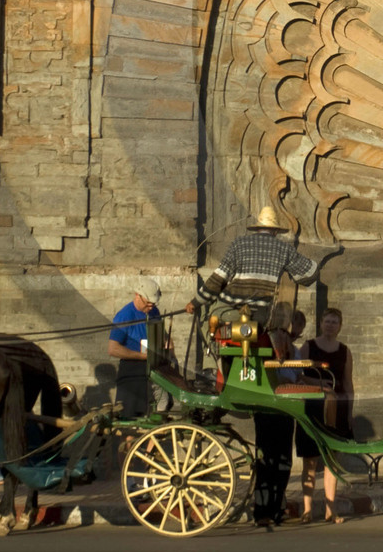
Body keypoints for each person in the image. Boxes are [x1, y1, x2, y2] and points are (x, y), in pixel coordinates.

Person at [194, 206, 321, 527]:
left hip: (233, 321)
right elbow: (309, 275)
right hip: (259, 325)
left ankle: (224, 378)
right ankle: (268, 510)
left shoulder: (238, 245)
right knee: (277, 451)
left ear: (255, 229)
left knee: (214, 332)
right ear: (275, 232)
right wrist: (315, 263)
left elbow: (217, 280)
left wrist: (195, 302)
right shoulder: (283, 248)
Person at [296, 308, 353, 524]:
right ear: (321, 323)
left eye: (334, 322)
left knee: (332, 462)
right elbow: (297, 374)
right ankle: (307, 510)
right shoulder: (308, 346)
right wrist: (318, 384)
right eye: (327, 321)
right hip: (311, 407)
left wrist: (349, 410)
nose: (330, 325)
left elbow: (348, 383)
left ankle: (331, 510)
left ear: (340, 326)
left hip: (335, 408)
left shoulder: (345, 351)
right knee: (310, 461)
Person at [109, 279, 191, 419]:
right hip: (133, 371)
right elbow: (113, 349)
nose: (151, 306)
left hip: (155, 368)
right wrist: (143, 356)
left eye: (153, 303)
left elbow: (164, 337)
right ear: (137, 295)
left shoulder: (154, 312)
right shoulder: (124, 315)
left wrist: (169, 351)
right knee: (131, 416)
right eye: (148, 303)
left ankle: (152, 439)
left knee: (161, 409)